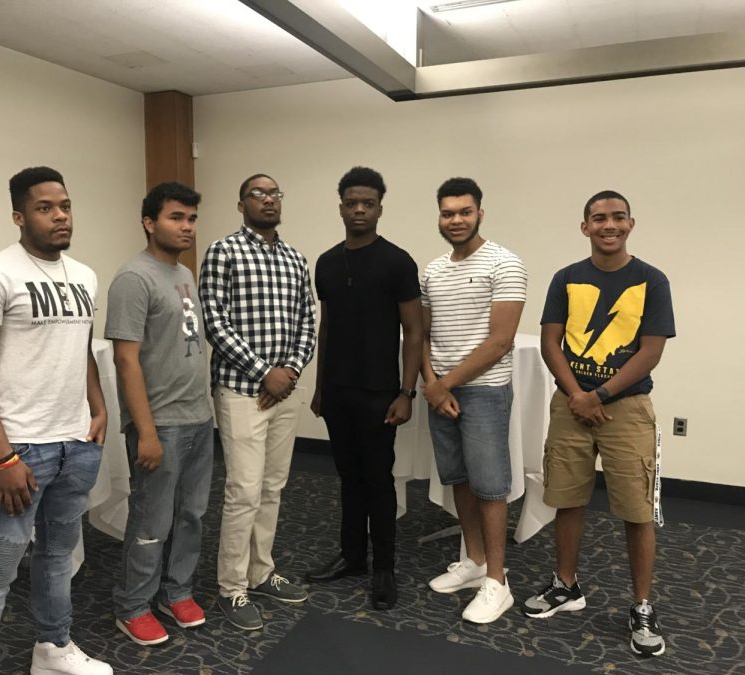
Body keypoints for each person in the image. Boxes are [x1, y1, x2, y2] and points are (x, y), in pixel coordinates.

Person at [0, 167, 112, 674]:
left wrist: (99, 404)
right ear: (19, 216)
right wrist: (3, 456)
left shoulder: (84, 275)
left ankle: (53, 649)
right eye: (45, 208)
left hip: (74, 443)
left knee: (58, 558)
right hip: (21, 449)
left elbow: (79, 346)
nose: (60, 215)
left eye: (65, 205)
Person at [523, 190, 674, 658]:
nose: (608, 225)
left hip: (626, 410)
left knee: (636, 509)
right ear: (584, 227)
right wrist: (576, 395)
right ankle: (566, 585)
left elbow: (651, 350)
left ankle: (642, 605)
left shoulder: (651, 280)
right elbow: (551, 343)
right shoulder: (566, 278)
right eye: (598, 218)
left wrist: (600, 396)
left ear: (631, 224)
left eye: (617, 217)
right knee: (567, 498)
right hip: (571, 403)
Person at [199, 173, 316, 631]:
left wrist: (288, 371)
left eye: (274, 194)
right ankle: (232, 587)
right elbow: (215, 319)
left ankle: (261, 572)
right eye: (258, 194)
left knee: (272, 487)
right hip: (241, 389)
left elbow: (307, 321)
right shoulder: (223, 251)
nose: (268, 200)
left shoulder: (293, 257)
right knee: (243, 491)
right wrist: (264, 371)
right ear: (241, 203)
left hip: (285, 390)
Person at [306, 167, 421, 610]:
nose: (359, 210)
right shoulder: (328, 262)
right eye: (351, 203)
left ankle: (383, 569)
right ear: (340, 207)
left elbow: (413, 331)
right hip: (337, 391)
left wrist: (406, 392)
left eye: (367, 203)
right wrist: (319, 387)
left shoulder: (397, 261)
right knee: (348, 479)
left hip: (380, 393)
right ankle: (352, 557)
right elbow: (327, 326)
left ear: (378, 208)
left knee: (378, 480)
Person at [107, 182, 214, 646]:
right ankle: (132, 605)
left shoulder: (183, 274)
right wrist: (145, 431)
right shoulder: (134, 278)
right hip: (161, 424)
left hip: (197, 417)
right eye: (176, 217)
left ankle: (177, 591)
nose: (186, 226)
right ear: (150, 222)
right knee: (153, 520)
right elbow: (125, 360)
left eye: (191, 218)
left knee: (191, 514)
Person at [421, 177, 527, 624]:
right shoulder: (432, 270)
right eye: (448, 212)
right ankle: (475, 562)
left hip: (483, 391)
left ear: (480, 212)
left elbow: (500, 342)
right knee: (459, 479)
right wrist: (431, 382)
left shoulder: (505, 263)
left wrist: (444, 385)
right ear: (440, 217)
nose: (456, 219)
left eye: (465, 211)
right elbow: (421, 335)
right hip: (440, 390)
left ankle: (497, 583)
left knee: (490, 486)